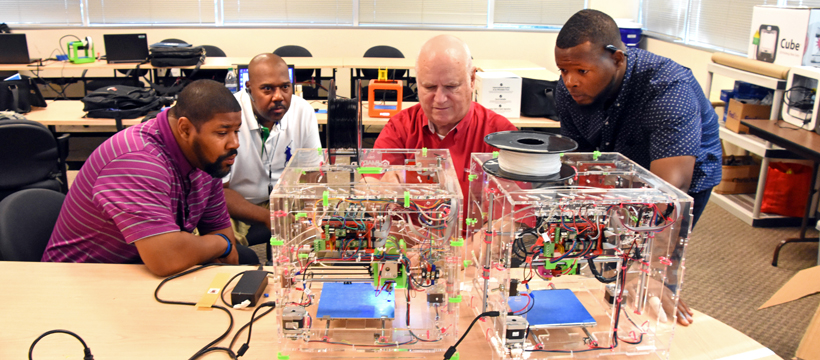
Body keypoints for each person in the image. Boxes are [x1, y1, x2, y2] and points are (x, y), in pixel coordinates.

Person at [553, 9, 722, 326]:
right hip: (617, 162)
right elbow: (578, 164)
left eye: (581, 71)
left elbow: (670, 192)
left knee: (649, 278)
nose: (570, 81)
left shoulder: (668, 89)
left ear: (617, 59)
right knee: (607, 253)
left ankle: (654, 315)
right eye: (563, 70)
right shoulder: (568, 90)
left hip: (680, 177)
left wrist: (652, 268)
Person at [42, 80, 259, 276]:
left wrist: (216, 244)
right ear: (185, 129)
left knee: (244, 263)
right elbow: (168, 258)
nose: (234, 143)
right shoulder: (138, 159)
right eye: (222, 133)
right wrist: (219, 243)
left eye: (236, 131)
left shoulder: (204, 157)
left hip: (139, 269)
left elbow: (226, 250)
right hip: (82, 278)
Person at [373, 34, 518, 200]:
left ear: (471, 80)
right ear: (417, 82)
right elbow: (368, 182)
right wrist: (379, 189)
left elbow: (516, 211)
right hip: (410, 227)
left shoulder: (501, 135)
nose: (440, 99)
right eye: (429, 87)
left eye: (451, 86)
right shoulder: (400, 127)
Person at [222, 53, 321, 247]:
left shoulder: (303, 111)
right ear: (249, 89)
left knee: (322, 233)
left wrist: (310, 215)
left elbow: (313, 174)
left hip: (287, 199)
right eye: (267, 89)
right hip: (239, 203)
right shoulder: (228, 115)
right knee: (221, 246)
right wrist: (268, 217)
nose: (278, 97)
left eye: (285, 87)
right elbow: (219, 192)